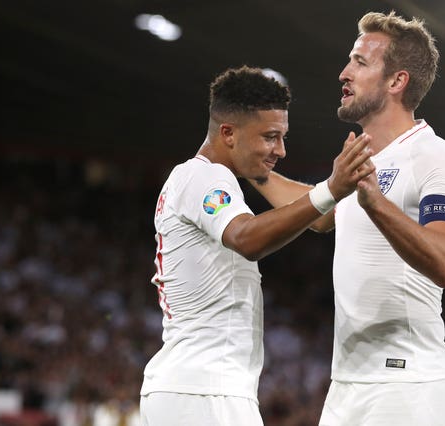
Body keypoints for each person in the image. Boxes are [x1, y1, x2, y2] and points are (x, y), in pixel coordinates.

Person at [250, 12, 445, 426]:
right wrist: (255, 170)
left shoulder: (436, 157)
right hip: (347, 385)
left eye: (360, 62)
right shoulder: (365, 160)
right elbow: (320, 212)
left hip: (407, 385)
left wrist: (375, 203)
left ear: (396, 81)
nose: (344, 72)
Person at [138, 65, 375, 426]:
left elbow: (321, 218)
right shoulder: (203, 176)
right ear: (228, 133)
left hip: (199, 389)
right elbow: (246, 239)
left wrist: (328, 190)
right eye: (269, 136)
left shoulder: (205, 177)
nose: (280, 149)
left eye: (282, 137)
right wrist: (331, 188)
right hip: (204, 391)